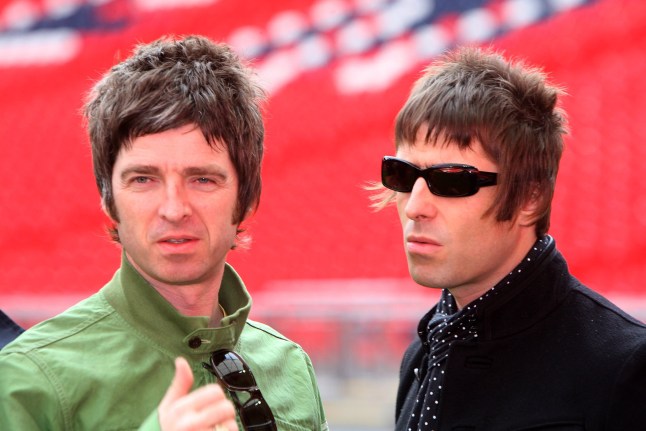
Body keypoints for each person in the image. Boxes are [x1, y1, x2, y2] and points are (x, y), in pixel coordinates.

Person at [0, 35, 328, 431]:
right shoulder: (28, 380)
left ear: (246, 200)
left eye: (202, 180)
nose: (174, 209)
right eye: (143, 179)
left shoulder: (288, 364)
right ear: (109, 200)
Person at [371, 47, 646, 430]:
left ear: (530, 198)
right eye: (401, 174)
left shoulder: (623, 364)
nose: (416, 206)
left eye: (452, 180)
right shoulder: (422, 353)